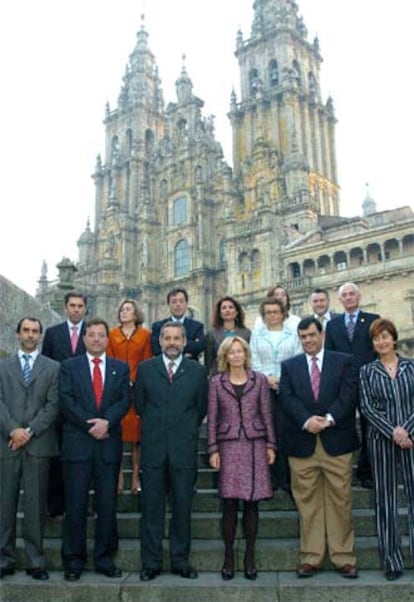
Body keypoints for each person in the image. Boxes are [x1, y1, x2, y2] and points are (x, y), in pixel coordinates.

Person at [279, 316, 359, 579]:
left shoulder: (343, 361)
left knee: (340, 500)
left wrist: (328, 419)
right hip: (302, 445)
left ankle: (343, 557)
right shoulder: (289, 366)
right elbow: (287, 399)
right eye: (303, 337)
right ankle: (311, 557)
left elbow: (348, 395)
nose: (308, 341)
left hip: (337, 441)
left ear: (321, 334)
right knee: (307, 504)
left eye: (312, 335)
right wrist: (305, 421)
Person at [136, 321, 208, 581]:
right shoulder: (145, 370)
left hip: (184, 449)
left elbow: (200, 408)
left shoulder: (197, 372)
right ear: (160, 341)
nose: (172, 343)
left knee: (182, 508)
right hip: (154, 448)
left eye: (177, 338)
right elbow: (141, 405)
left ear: (185, 342)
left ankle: (180, 560)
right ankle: (151, 562)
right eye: (167, 338)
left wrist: (183, 430)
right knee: (151, 509)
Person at [59, 318, 130, 582]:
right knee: (75, 504)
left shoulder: (120, 368)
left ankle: (104, 558)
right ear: (85, 338)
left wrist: (107, 422)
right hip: (78, 444)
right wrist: (90, 425)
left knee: (107, 504)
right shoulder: (69, 367)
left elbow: (125, 399)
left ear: (107, 339)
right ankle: (73, 560)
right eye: (92, 335)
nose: (97, 339)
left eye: (102, 335)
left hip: (108, 444)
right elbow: (66, 400)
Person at [207, 336, 276, 581]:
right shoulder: (216, 382)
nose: (236, 355)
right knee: (228, 503)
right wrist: (213, 449)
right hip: (228, 446)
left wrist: (271, 444)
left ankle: (249, 555)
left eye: (240, 351)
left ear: (246, 355)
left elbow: (266, 413)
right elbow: (213, 418)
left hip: (255, 444)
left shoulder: (259, 381)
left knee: (251, 503)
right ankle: (228, 556)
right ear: (225, 356)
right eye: (231, 352)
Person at [0, 317, 59, 581]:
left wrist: (30, 431)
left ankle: (36, 561)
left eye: (35, 331)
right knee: (5, 504)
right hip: (7, 442)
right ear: (18, 334)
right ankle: (5, 558)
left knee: (35, 506)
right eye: (26, 330)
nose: (31, 335)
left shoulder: (53, 367)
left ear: (40, 336)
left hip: (38, 443)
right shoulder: (3, 367)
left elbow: (53, 405)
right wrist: (13, 429)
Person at [360, 318, 414, 581]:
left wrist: (407, 430)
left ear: (393, 338)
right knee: (386, 501)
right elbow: (368, 408)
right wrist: (393, 431)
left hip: (412, 439)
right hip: (381, 441)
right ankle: (391, 560)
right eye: (376, 338)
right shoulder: (367, 371)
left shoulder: (411, 367)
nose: (381, 342)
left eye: (385, 336)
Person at [325, 282, 380, 488]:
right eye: (344, 295)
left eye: (351, 294)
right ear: (340, 300)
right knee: (344, 427)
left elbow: (378, 350)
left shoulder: (373, 320)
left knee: (369, 427)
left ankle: (367, 471)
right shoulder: (333, 326)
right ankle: (343, 470)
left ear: (358, 297)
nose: (348, 297)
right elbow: (329, 356)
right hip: (344, 385)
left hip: (368, 383)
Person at [41, 291, 88, 518]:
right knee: (56, 456)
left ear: (85, 309)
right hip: (58, 404)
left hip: (85, 405)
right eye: (73, 305)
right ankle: (55, 504)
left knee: (83, 459)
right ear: (65, 308)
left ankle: (82, 504)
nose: (76, 309)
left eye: (80, 306)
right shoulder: (52, 334)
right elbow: (45, 368)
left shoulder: (93, 334)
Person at [250, 298, 301, 493]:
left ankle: (287, 478)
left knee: (286, 432)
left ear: (282, 313)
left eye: (275, 312)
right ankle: (270, 478)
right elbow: (253, 359)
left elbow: (297, 356)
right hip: (264, 388)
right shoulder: (257, 334)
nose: (272, 315)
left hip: (288, 387)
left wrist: (281, 379)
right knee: (267, 433)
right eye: (268, 312)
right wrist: (267, 378)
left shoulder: (293, 334)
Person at [106, 299, 152, 494]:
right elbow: (108, 359)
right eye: (122, 309)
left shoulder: (145, 335)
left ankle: (135, 476)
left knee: (136, 437)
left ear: (135, 314)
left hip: (136, 388)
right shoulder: (112, 334)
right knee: (117, 434)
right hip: (117, 388)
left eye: (128, 309)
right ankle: (118, 477)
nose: (124, 312)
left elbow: (147, 360)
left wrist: (138, 381)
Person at [151, 287, 206, 361]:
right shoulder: (158, 326)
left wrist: (170, 347)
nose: (178, 304)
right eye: (174, 302)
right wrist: (188, 347)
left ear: (186, 304)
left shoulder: (197, 326)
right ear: (168, 304)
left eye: (181, 301)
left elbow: (200, 346)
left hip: (190, 368)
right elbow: (156, 349)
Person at [205, 296, 251, 377]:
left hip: (242, 375)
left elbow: (248, 356)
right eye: (224, 308)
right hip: (219, 375)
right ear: (219, 313)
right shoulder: (211, 334)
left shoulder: (246, 333)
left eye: (231, 307)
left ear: (237, 312)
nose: (227, 310)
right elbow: (209, 360)